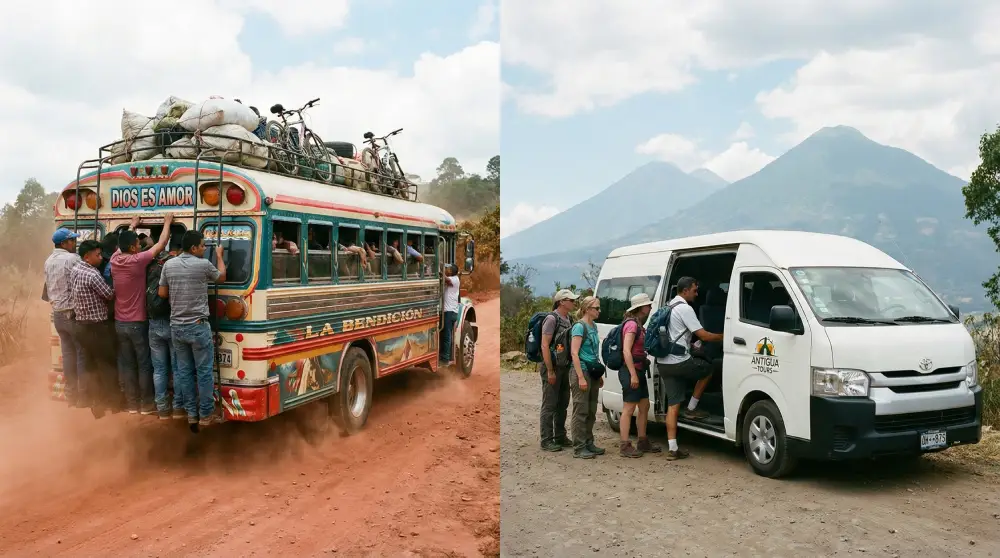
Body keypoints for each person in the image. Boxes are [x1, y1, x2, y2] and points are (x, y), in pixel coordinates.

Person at [158, 231, 226, 429]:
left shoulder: (169, 265)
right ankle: (205, 413)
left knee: (184, 372)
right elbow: (221, 277)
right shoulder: (203, 265)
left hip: (176, 327)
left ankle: (190, 413)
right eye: (203, 246)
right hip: (197, 326)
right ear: (194, 248)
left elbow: (162, 292)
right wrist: (220, 256)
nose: (205, 249)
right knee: (204, 373)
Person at [111, 215, 174, 414]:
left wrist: (132, 225)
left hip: (119, 323)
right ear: (132, 248)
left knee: (128, 365)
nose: (140, 245)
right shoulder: (138, 261)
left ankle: (132, 404)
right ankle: (147, 404)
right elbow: (162, 243)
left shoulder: (114, 259)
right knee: (145, 365)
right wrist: (166, 222)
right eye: (138, 243)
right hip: (138, 322)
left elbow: (120, 243)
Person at [656, 277, 724, 460]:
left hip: (664, 363)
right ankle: (693, 407)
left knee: (673, 405)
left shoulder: (668, 306)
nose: (697, 293)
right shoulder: (685, 308)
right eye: (694, 290)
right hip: (679, 361)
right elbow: (702, 334)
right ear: (685, 290)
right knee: (709, 368)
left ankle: (672, 448)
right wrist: (724, 336)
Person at [70, 239, 117, 418]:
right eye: (98, 255)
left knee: (90, 366)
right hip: (97, 327)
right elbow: (108, 294)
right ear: (87, 257)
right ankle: (112, 402)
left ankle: (95, 403)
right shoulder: (93, 275)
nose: (101, 258)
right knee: (107, 365)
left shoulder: (75, 270)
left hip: (81, 326)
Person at [147, 234, 186, 420]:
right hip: (173, 322)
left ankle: (162, 407)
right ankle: (178, 405)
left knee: (159, 369)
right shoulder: (178, 266)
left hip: (154, 322)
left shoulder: (152, 264)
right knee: (177, 367)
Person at [44, 228, 83, 406]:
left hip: (58, 315)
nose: (74, 243)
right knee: (82, 353)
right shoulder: (72, 259)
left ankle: (71, 393)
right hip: (73, 313)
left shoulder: (48, 261)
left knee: (68, 355)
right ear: (64, 243)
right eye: (72, 241)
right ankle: (85, 392)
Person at [619, 293, 659, 458]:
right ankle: (624, 444)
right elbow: (626, 351)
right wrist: (633, 374)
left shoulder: (638, 325)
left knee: (644, 406)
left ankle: (642, 441)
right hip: (632, 371)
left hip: (638, 370)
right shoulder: (632, 326)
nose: (650, 308)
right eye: (648, 306)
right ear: (641, 308)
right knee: (629, 408)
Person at [539, 288, 578, 452]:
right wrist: (550, 370)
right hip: (553, 367)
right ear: (562, 301)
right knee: (549, 404)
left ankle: (560, 436)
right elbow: (545, 345)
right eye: (571, 300)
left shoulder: (568, 318)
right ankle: (546, 439)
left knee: (562, 403)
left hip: (564, 366)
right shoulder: (551, 319)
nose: (573, 302)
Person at [569, 296, 605, 459]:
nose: (599, 311)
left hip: (592, 372)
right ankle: (579, 446)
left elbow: (593, 351)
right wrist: (581, 377)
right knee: (580, 410)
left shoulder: (594, 326)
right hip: (582, 371)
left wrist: (598, 373)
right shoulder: (579, 327)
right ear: (587, 309)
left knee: (591, 410)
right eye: (596, 308)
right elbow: (574, 353)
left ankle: (589, 442)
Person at [440, 264, 460, 366]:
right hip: (451, 311)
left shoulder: (454, 279)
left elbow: (446, 280)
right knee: (447, 334)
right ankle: (445, 356)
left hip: (449, 311)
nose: (447, 270)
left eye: (448, 269)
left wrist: (439, 271)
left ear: (452, 271)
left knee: (447, 335)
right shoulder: (455, 279)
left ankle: (445, 358)